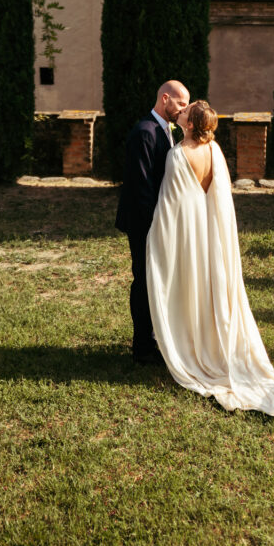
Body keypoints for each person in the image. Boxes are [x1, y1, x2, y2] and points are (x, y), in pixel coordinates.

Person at [146, 100, 274, 417]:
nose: (179, 110)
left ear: (190, 124)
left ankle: (196, 349)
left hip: (190, 239)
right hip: (212, 238)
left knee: (192, 291)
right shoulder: (215, 152)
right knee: (211, 292)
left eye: (185, 110)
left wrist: (155, 241)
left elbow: (169, 209)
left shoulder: (178, 156)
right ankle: (213, 343)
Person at [116, 80, 190, 364]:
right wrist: (156, 226)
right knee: (143, 280)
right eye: (181, 103)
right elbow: (141, 187)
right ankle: (142, 346)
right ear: (165, 98)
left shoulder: (165, 129)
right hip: (143, 222)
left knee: (153, 280)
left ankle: (152, 338)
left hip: (156, 221)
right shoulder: (145, 132)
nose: (183, 109)